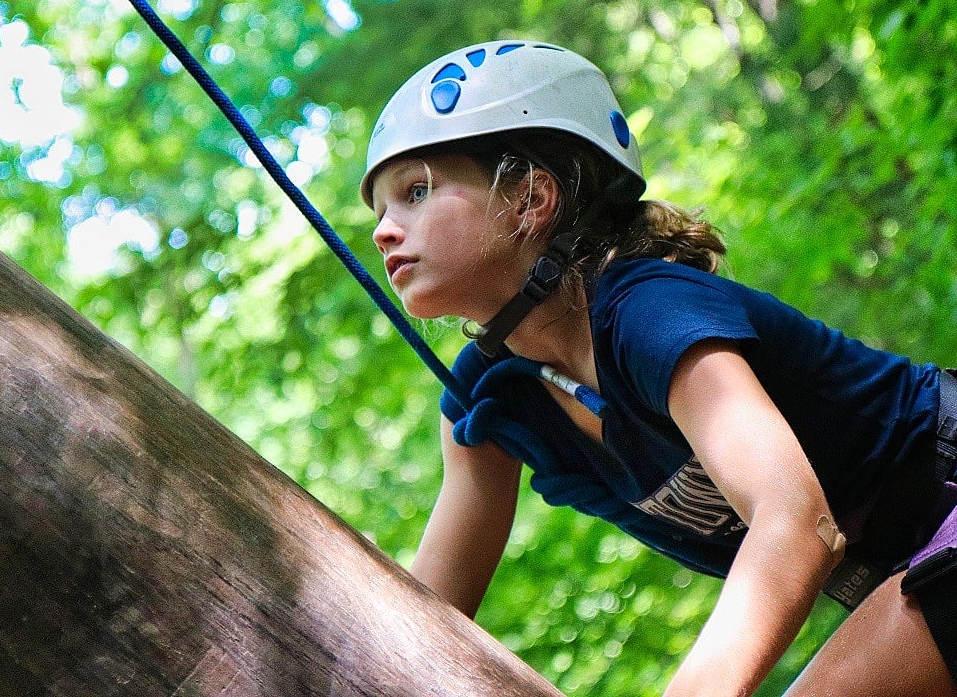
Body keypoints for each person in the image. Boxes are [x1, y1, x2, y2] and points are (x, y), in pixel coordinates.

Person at [360, 39, 957, 696]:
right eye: (381, 210)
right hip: (900, 574)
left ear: (531, 198)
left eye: (415, 191)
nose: (384, 230)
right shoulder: (491, 400)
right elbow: (419, 632)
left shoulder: (647, 312)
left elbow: (796, 521)